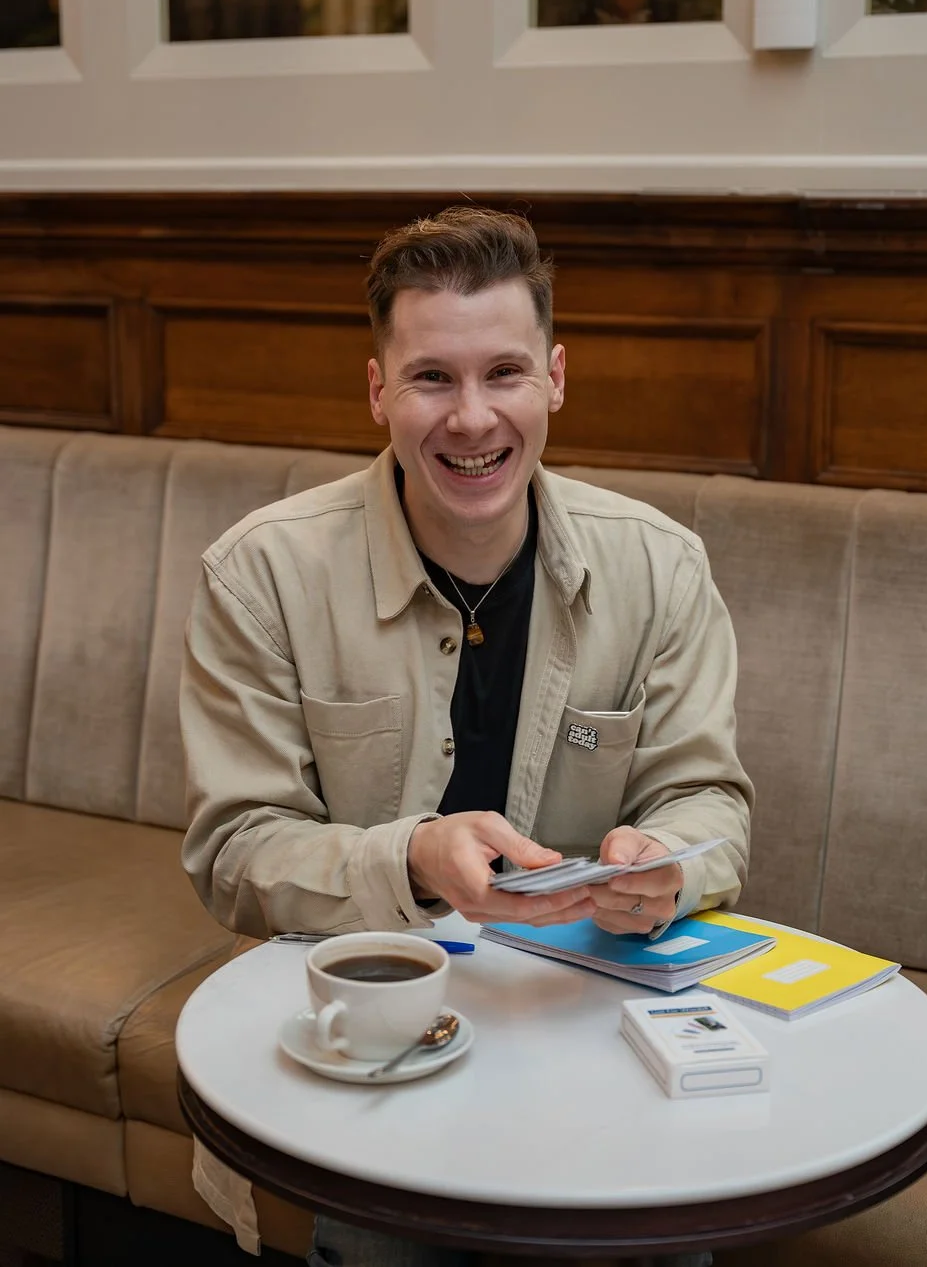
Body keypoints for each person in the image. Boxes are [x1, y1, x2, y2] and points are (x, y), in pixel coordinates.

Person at [180, 205, 753, 1267]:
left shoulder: (662, 567)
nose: (473, 418)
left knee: (656, 1235)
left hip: (585, 1023)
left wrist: (667, 862)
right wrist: (409, 857)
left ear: (555, 379)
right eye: (432, 378)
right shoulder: (261, 574)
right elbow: (234, 850)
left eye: (505, 373)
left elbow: (706, 799)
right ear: (378, 391)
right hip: (367, 1035)